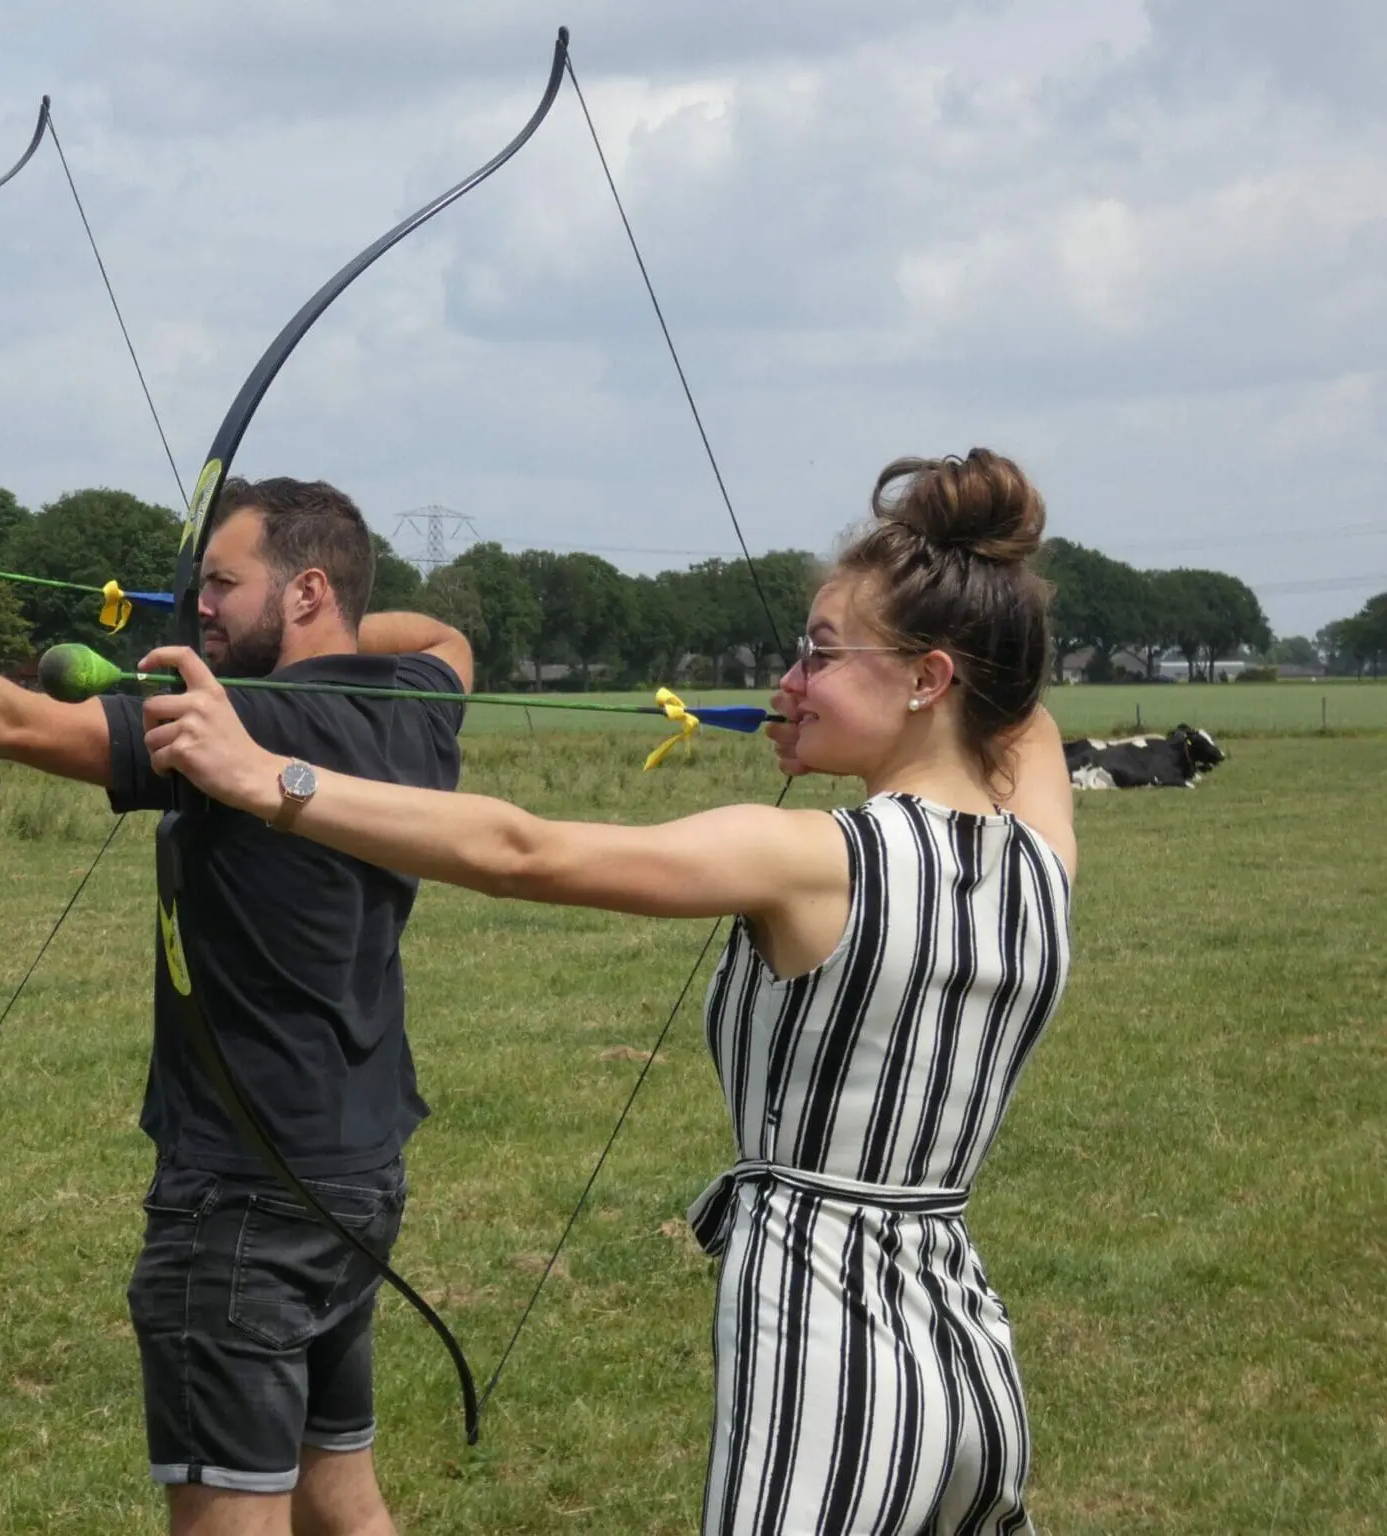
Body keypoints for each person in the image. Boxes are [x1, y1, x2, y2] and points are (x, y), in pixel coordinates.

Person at [140, 450, 1078, 1535]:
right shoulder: (1040, 858)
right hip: (962, 1350)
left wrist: (267, 777)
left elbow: (520, 850)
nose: (788, 681)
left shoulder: (815, 856)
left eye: (817, 655)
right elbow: (1023, 720)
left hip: (825, 1351)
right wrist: (852, 714)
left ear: (928, 678)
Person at [0, 476, 473, 1536]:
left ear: (301, 591)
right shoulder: (420, 702)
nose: (195, 604)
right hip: (355, 1175)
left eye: (219, 583)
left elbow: (8, 719)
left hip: (243, 1198)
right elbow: (438, 628)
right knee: (342, 1503)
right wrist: (304, 627)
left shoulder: (231, 734)